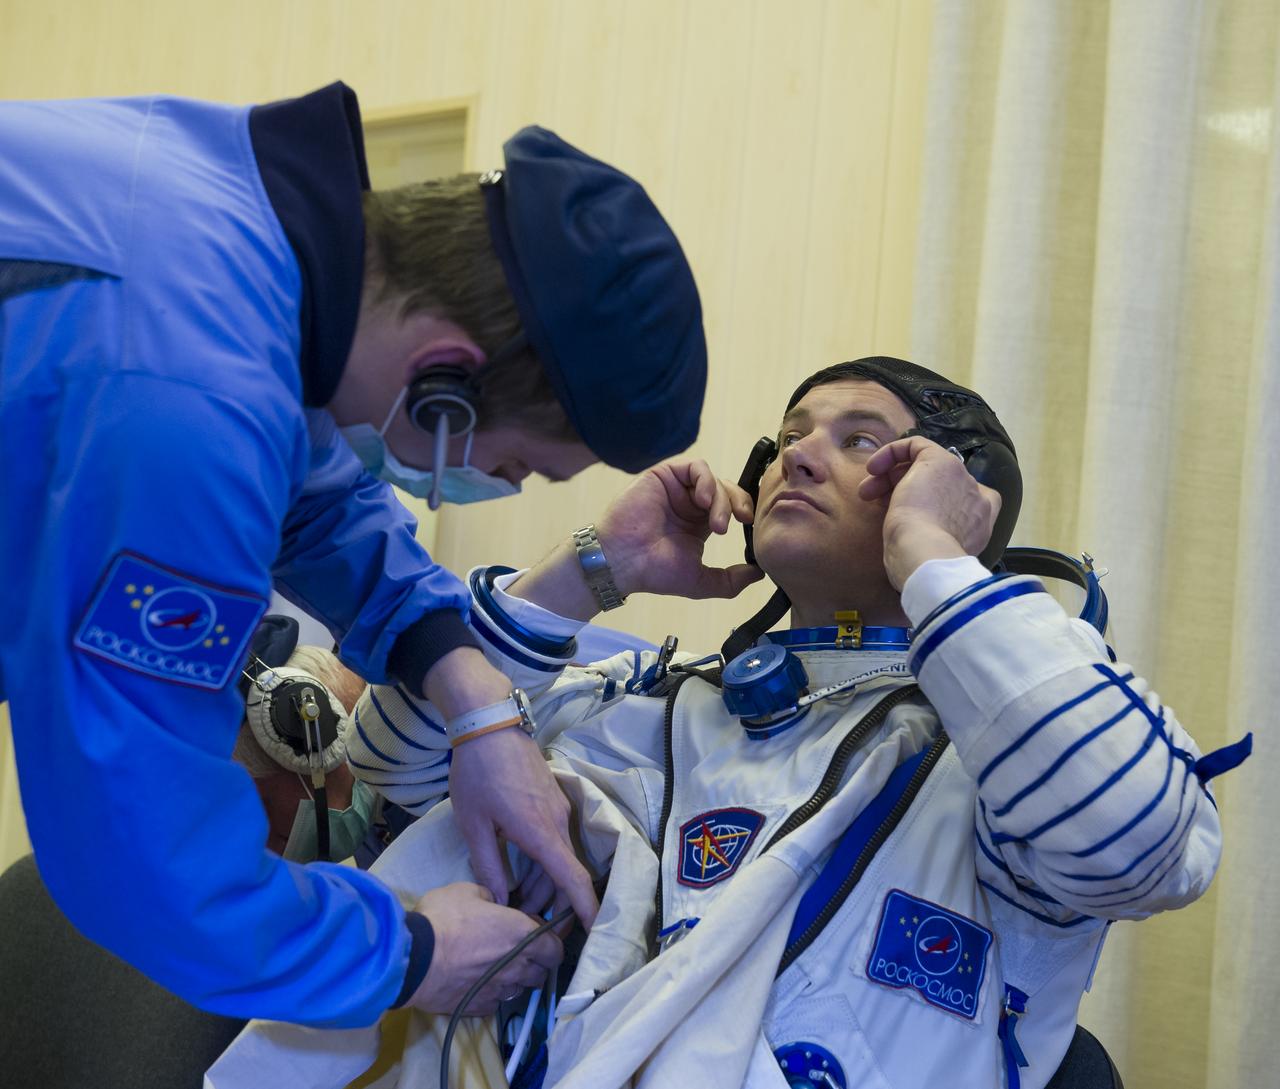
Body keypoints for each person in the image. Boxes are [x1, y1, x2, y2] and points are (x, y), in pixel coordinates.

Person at [322, 357, 1244, 1088]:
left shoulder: (994, 760)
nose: (796, 456)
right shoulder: (647, 700)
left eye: (861, 442)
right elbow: (396, 764)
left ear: (949, 496)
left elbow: (1138, 845)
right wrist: (596, 567)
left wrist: (937, 560)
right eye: (792, 435)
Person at [0, 81, 706, 1027]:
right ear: (443, 380)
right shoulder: (187, 406)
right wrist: (410, 950)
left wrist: (478, 702)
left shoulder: (231, 225)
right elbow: (136, 850)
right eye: (509, 466)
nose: (493, 487)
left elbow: (318, 497)